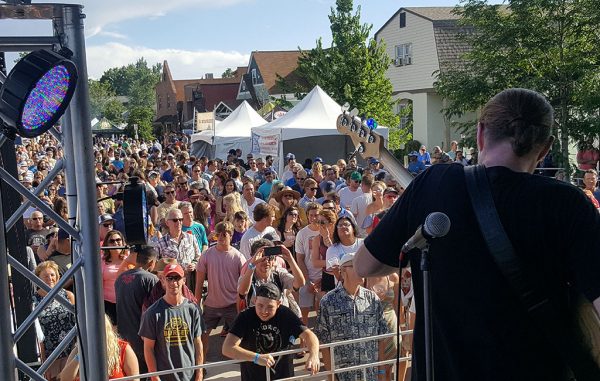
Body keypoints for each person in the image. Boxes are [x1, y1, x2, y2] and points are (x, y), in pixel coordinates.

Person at [355, 88, 600, 380]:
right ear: (545, 148)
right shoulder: (570, 204)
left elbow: (365, 265)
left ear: (481, 132)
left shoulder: (432, 183)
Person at [222, 283, 320, 381]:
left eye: (270, 307)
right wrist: (256, 357)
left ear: (278, 304)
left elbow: (309, 335)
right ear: (255, 301)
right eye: (260, 305)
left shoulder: (285, 314)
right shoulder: (245, 317)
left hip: (284, 377)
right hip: (253, 377)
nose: (264, 311)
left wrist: (314, 355)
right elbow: (227, 348)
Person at [315, 253, 388, 381]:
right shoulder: (328, 301)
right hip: (343, 376)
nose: (362, 271)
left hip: (370, 375)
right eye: (356, 266)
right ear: (343, 271)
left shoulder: (373, 299)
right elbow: (324, 342)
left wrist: (381, 371)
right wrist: (331, 376)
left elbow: (380, 338)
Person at [139, 264, 204, 381]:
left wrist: (199, 373)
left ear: (184, 280)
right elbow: (148, 348)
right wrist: (155, 377)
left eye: (177, 278)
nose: (173, 282)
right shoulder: (153, 313)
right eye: (170, 278)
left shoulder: (192, 309)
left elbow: (198, 343)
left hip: (189, 376)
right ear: (163, 281)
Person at [194, 221, 246, 360]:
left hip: (232, 305)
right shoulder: (206, 255)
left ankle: (243, 363)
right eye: (218, 235)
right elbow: (199, 282)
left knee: (241, 335)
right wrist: (196, 303)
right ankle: (201, 365)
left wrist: (241, 304)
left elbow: (244, 285)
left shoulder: (238, 257)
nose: (221, 237)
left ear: (231, 235)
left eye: (224, 234)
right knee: (202, 335)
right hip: (211, 304)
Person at [115, 246, 159, 375]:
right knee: (146, 372)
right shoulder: (150, 279)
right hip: (143, 338)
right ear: (151, 262)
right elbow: (156, 310)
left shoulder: (120, 278)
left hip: (123, 335)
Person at [60, 315, 140, 381]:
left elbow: (135, 379)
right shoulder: (79, 350)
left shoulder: (123, 349)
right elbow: (64, 379)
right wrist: (79, 356)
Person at [34, 261, 76, 381]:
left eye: (52, 275)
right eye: (45, 276)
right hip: (49, 356)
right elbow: (36, 335)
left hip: (69, 352)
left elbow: (77, 324)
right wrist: (43, 364)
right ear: (38, 279)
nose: (50, 278)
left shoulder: (68, 295)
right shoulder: (34, 301)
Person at [102, 230, 129, 324]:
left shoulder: (129, 260)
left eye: (118, 240)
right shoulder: (102, 261)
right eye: (112, 241)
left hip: (126, 302)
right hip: (107, 303)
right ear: (107, 244)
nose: (116, 243)